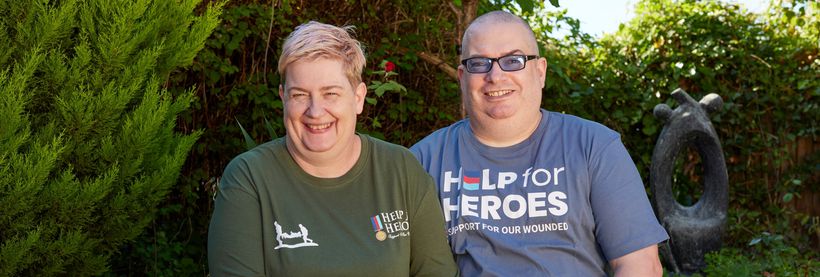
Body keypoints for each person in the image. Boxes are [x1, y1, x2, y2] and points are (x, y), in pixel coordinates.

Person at [410, 11, 669, 276]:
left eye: (513, 60)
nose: (496, 76)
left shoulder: (594, 146)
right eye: (479, 63)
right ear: (463, 78)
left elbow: (639, 265)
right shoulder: (422, 161)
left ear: (540, 71)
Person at [208, 21, 458, 276]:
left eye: (330, 94)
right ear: (283, 98)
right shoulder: (250, 178)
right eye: (300, 95)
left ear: (358, 98)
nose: (315, 111)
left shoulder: (401, 170)